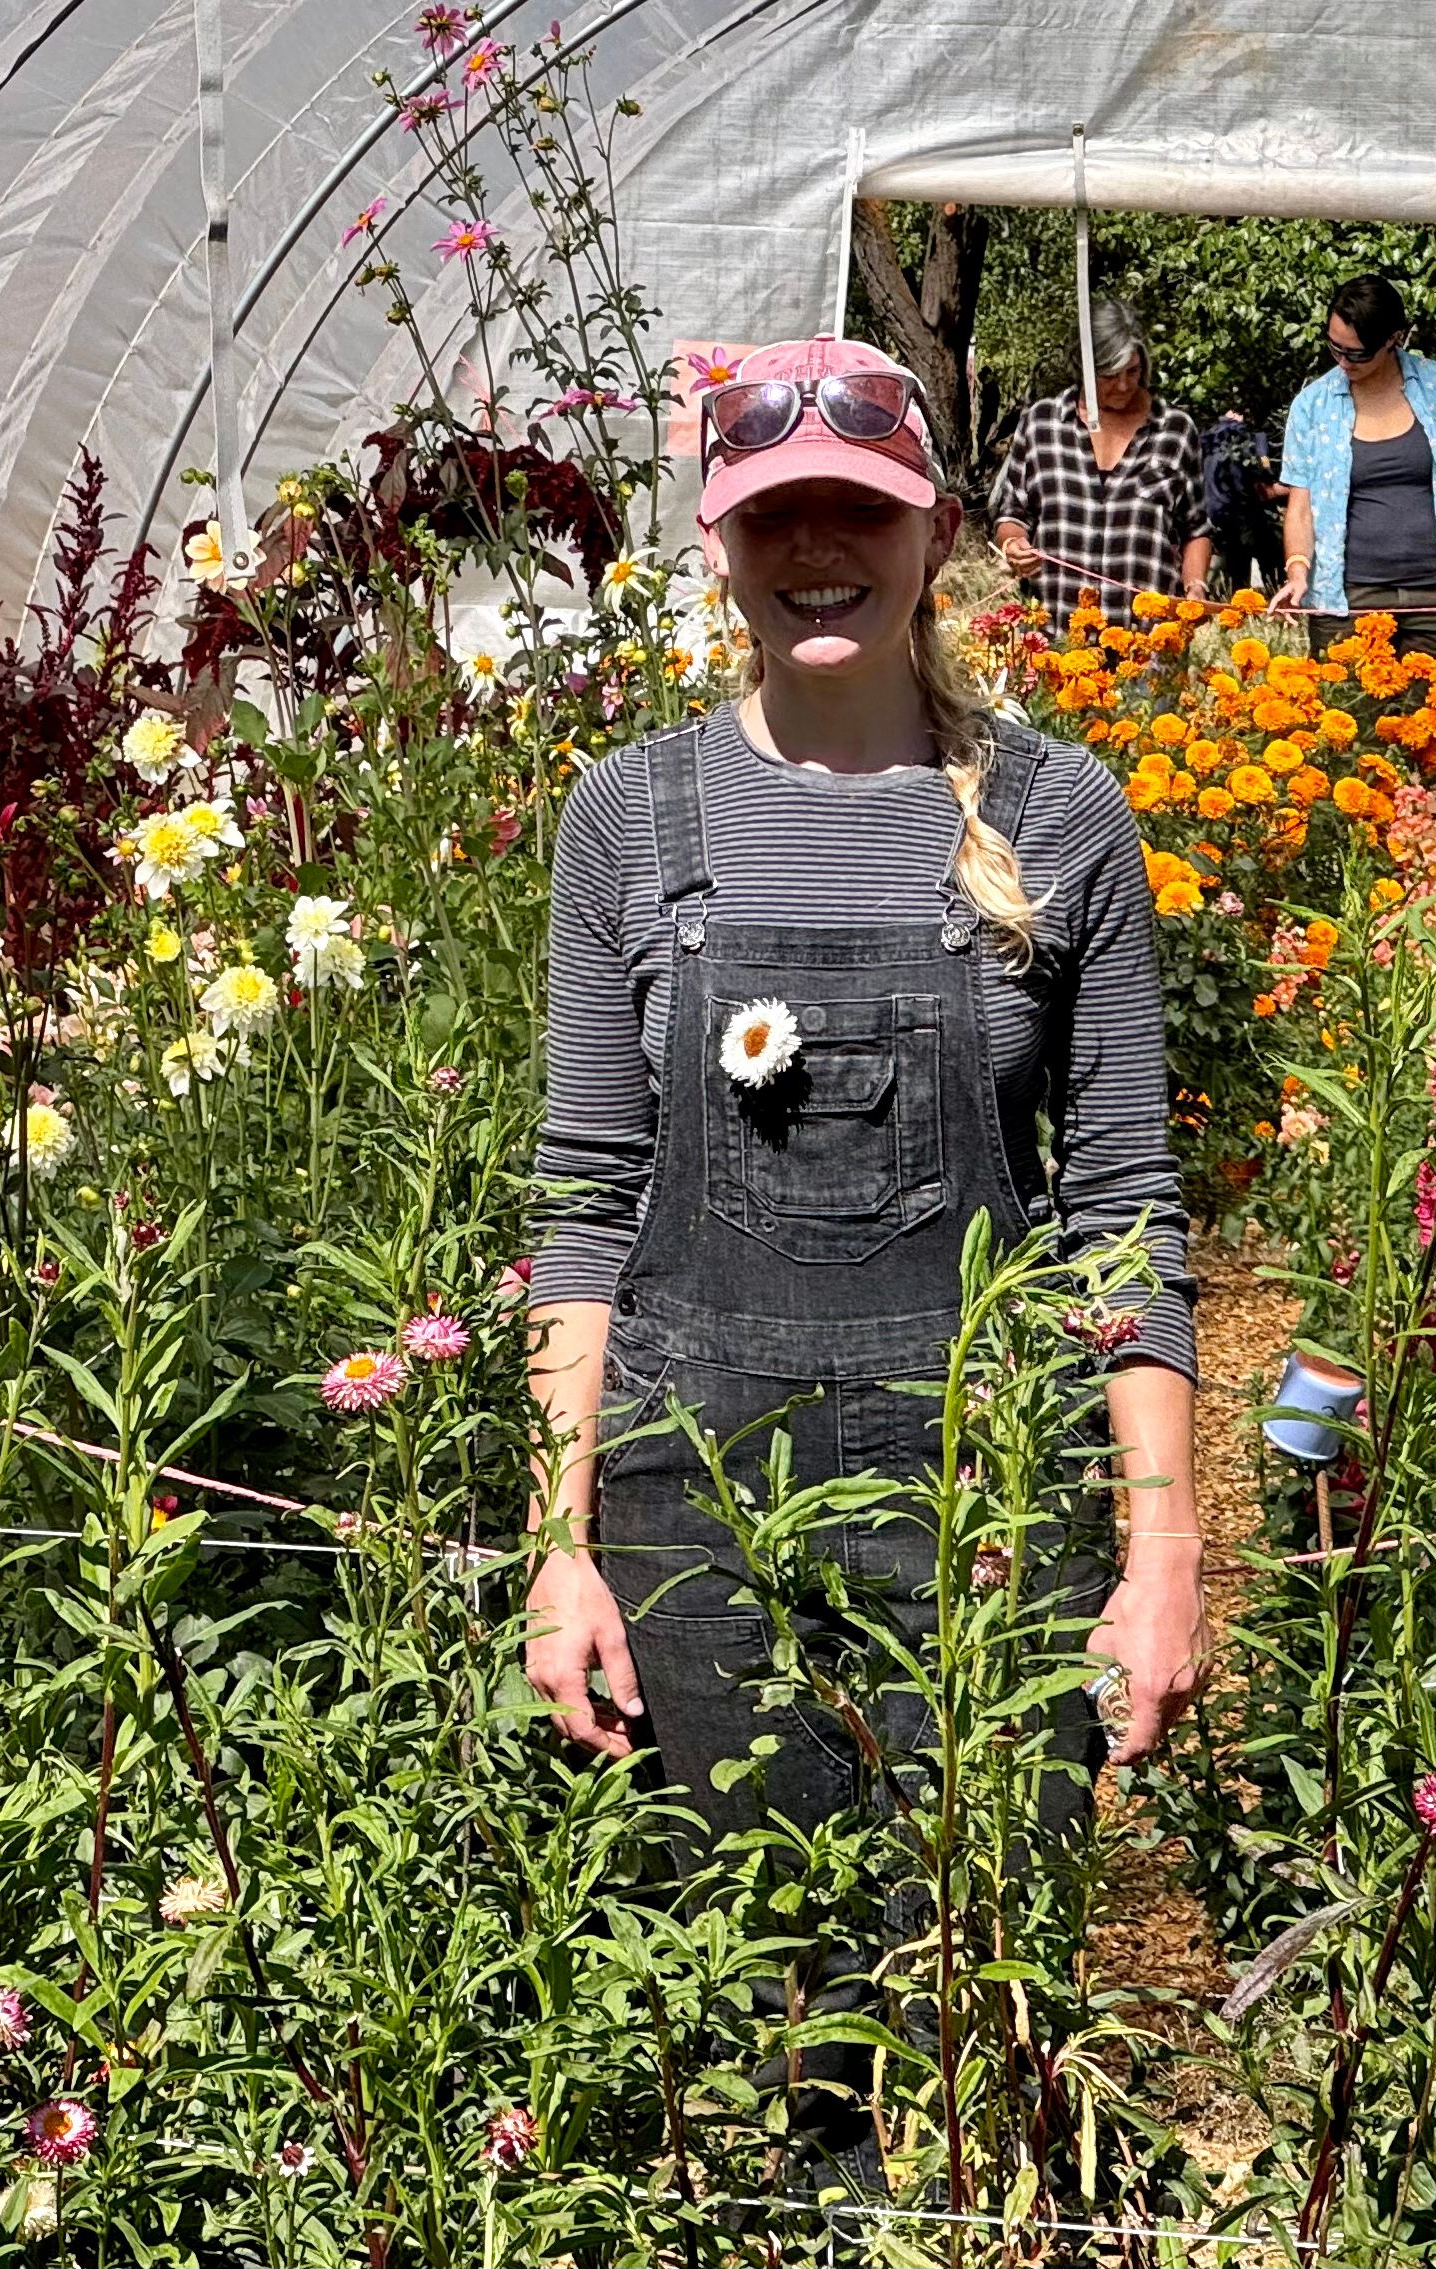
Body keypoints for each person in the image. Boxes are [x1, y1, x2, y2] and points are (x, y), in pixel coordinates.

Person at [523, 335, 1207, 2151]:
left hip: (982, 1503)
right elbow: (583, 1208)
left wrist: (1160, 1555)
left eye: (860, 509)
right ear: (719, 542)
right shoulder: (629, 820)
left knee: (978, 2010)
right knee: (746, 2035)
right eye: (775, 514)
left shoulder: (1061, 820)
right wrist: (558, 1549)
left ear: (936, 532)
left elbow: (1123, 1204)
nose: (817, 547)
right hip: (692, 1506)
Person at [1272, 275, 1436, 688]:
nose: (1343, 363)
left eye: (1357, 354)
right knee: (1353, 743)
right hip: (1346, 600)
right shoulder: (1312, 405)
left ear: (1394, 339)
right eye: (1334, 348)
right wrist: (1297, 572)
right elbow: (1300, 506)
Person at [991, 299, 1211, 626]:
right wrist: (1013, 544)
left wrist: (1196, 586)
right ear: (1084, 367)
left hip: (1146, 644)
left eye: (1132, 371)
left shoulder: (1174, 431)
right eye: (1109, 375)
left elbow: (1195, 527)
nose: (1123, 386)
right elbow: (1012, 512)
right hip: (1057, 637)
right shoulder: (1042, 424)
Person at [1200, 408, 1286, 596]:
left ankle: (1231, 607)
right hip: (1245, 513)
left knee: (1234, 572)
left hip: (1212, 513)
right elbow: (1263, 480)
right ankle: (1279, 601)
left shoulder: (1206, 438)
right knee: (1272, 557)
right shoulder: (1247, 435)